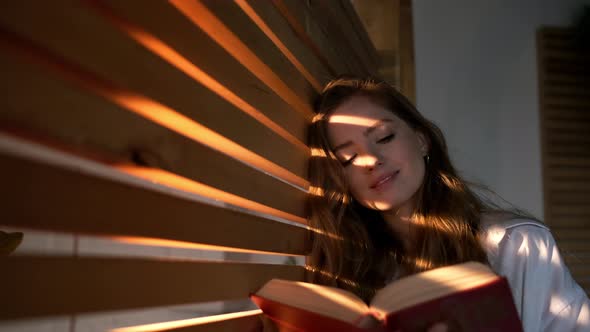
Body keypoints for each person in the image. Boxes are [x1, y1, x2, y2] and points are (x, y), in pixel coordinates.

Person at [258, 77, 589, 332]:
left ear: (421, 139)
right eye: (349, 157)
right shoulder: (355, 271)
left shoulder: (515, 244)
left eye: (384, 138)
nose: (371, 160)